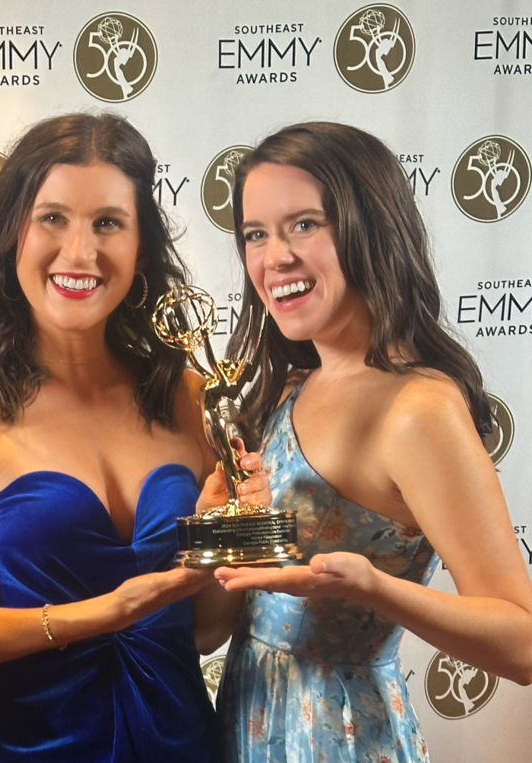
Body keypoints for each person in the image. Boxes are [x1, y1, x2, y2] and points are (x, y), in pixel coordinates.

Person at [0, 113, 270, 762]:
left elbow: (202, 631)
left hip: (182, 743)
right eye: (52, 218)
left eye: (108, 223)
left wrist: (223, 543)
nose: (81, 253)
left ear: (141, 244)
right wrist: (103, 613)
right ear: (12, 234)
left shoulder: (193, 397)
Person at [213, 121, 532, 763]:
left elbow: (522, 645)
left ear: (369, 226)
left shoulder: (418, 409)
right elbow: (212, 628)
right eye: (256, 234)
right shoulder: (285, 389)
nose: (275, 258)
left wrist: (373, 588)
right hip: (247, 718)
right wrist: (221, 525)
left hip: (342, 736)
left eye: (305, 224)